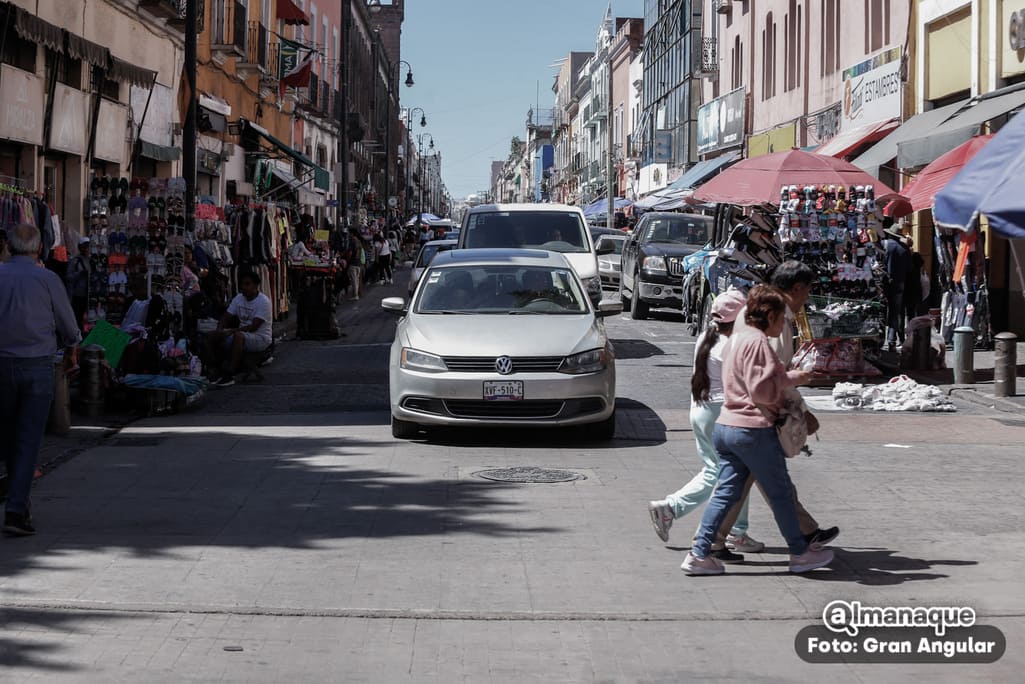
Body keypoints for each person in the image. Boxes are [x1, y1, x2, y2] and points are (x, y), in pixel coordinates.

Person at [682, 286, 835, 576]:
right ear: (770, 316)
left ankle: (698, 553)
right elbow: (761, 390)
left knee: (725, 493)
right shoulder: (757, 342)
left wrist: (788, 377)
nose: (785, 325)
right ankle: (800, 553)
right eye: (782, 319)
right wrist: (794, 381)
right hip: (753, 430)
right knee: (780, 495)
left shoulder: (735, 340)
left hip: (728, 426)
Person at [718, 261, 839, 550]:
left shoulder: (758, 313)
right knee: (769, 484)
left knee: (742, 483)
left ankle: (712, 541)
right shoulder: (776, 321)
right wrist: (799, 410)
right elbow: (769, 377)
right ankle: (802, 540)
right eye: (808, 291)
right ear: (796, 289)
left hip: (743, 414)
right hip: (756, 417)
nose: (808, 299)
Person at [647, 289, 764, 559]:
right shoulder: (731, 343)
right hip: (720, 412)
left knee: (728, 472)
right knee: (731, 474)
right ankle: (674, 509)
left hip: (701, 410)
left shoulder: (707, 336)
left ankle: (735, 529)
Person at [0, 224, 82, 536]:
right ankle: (16, 509)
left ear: (9, 246)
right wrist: (73, 345)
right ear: (38, 249)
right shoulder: (47, 279)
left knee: (8, 436)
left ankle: (17, 500)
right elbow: (68, 324)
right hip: (36, 366)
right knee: (29, 437)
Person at [209, 271, 273, 387]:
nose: (244, 287)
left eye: (247, 284)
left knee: (238, 336)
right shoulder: (239, 298)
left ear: (255, 285)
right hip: (241, 333)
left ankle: (230, 373)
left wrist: (231, 331)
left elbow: (254, 327)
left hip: (260, 338)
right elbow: (226, 316)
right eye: (242, 284)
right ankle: (215, 368)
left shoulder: (264, 302)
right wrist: (220, 329)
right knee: (212, 336)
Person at [882, 225, 911, 351]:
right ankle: (892, 341)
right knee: (896, 312)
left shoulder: (885, 245)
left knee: (882, 312)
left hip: (884, 282)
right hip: (899, 283)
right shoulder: (904, 249)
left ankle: (880, 339)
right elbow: (909, 269)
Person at [66, 236, 92, 332]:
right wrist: (80, 274)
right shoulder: (75, 261)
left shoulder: (92, 260)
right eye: (84, 246)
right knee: (78, 318)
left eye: (88, 246)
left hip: (89, 296)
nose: (86, 249)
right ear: (79, 247)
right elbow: (68, 277)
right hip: (78, 296)